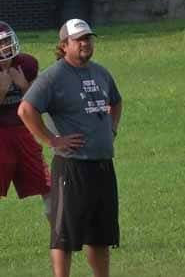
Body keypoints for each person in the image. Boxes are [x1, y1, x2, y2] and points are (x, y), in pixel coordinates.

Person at [18, 18, 122, 277]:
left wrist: (112, 128)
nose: (85, 43)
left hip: (102, 165)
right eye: (79, 40)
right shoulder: (53, 77)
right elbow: (26, 109)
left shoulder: (100, 72)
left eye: (88, 38)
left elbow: (116, 101)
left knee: (100, 235)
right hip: (72, 167)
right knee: (65, 234)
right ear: (64, 45)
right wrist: (51, 140)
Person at [0, 21, 51, 217]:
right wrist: (2, 90)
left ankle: (60, 240)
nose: (5, 47)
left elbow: (39, 105)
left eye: (6, 42)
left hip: (23, 131)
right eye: (0, 44)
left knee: (47, 185)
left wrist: (25, 88)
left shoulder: (26, 64)